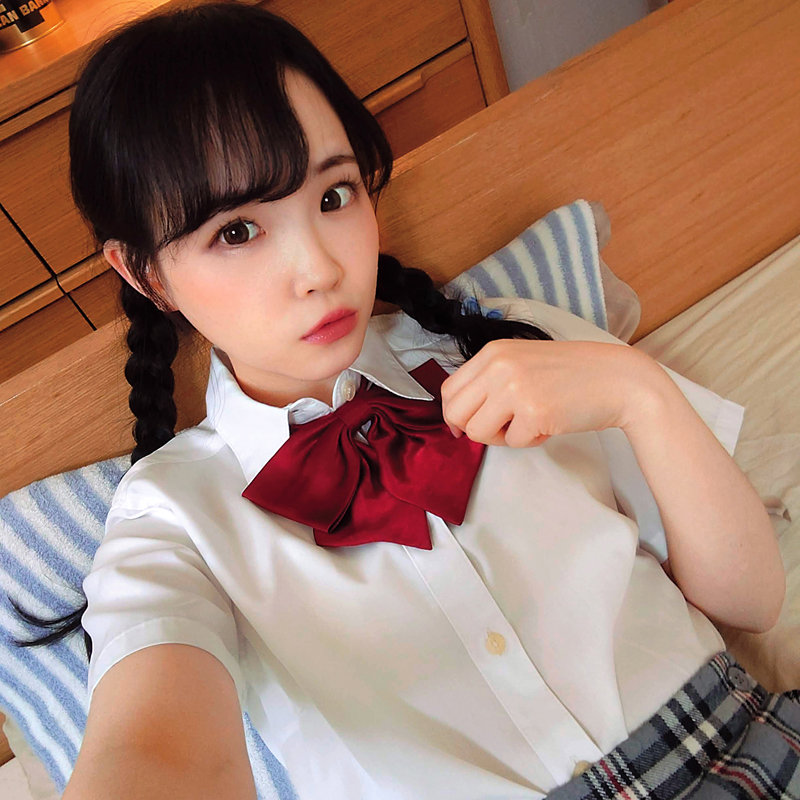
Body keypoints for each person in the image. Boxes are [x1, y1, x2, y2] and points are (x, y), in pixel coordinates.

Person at [16, 2, 794, 798]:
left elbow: (753, 600)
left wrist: (639, 392)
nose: (320, 269)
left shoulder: (510, 343)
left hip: (749, 749)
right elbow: (152, 752)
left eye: (334, 196)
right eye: (237, 233)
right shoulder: (170, 518)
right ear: (145, 273)